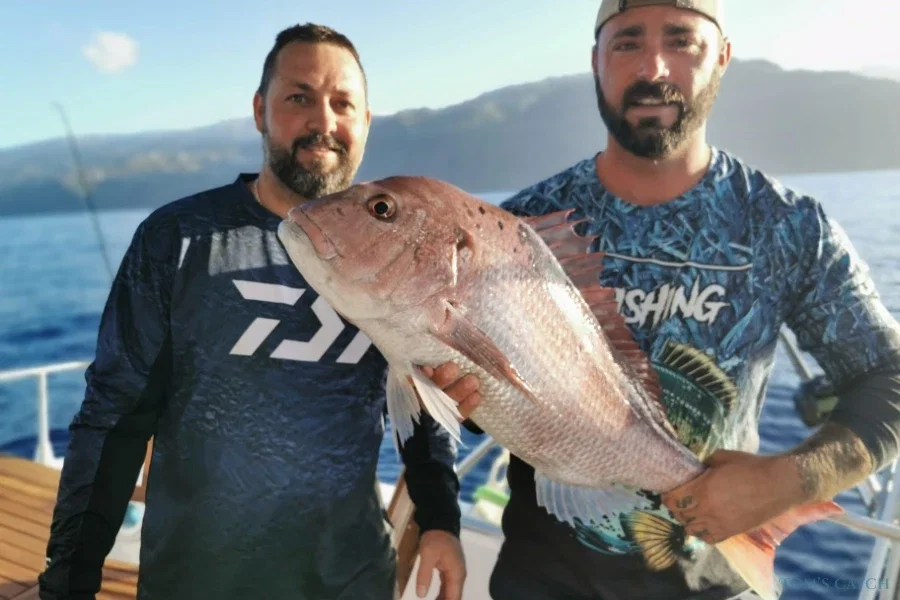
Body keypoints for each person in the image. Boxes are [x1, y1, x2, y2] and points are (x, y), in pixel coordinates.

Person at [431, 0, 900, 598]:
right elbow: (463, 404)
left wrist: (792, 479)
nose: (653, 68)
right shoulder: (517, 228)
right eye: (627, 43)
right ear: (596, 61)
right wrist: (457, 402)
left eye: (681, 41)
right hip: (540, 581)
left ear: (722, 57)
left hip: (711, 585)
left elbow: (889, 374)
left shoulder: (787, 227)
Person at [38, 23, 467, 600]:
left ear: (366, 122)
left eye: (342, 104)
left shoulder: (400, 248)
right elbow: (113, 419)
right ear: (260, 110)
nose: (323, 121)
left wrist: (440, 519)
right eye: (299, 97)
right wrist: (69, 578)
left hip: (349, 581)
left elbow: (423, 404)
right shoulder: (178, 238)